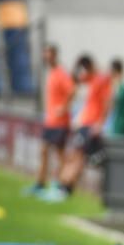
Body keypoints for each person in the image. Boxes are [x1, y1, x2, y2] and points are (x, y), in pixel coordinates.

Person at [39, 54, 111, 202]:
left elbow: (106, 103)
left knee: (78, 157)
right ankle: (63, 187)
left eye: (84, 69)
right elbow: (75, 79)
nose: (82, 73)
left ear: (90, 67)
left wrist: (100, 123)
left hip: (90, 126)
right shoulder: (93, 79)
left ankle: (63, 189)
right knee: (74, 156)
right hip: (84, 124)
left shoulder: (101, 81)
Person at [26, 44, 74, 196]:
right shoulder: (52, 72)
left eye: (48, 54)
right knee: (44, 151)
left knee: (59, 154)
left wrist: (64, 107)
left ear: (54, 55)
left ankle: (62, 184)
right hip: (50, 121)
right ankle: (40, 183)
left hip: (60, 122)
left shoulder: (61, 72)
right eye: (44, 54)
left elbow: (72, 90)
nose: (46, 57)